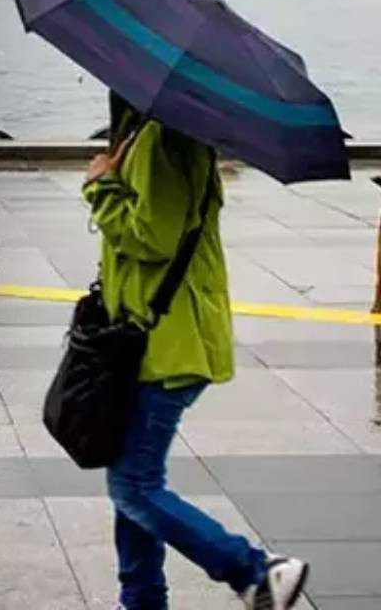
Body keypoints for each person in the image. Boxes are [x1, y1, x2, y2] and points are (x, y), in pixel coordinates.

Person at [82, 92, 309, 610]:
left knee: (133, 486)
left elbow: (152, 238)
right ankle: (141, 599)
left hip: (169, 343)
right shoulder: (153, 131)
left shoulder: (164, 139)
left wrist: (100, 188)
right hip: (153, 339)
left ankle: (257, 572)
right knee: (133, 479)